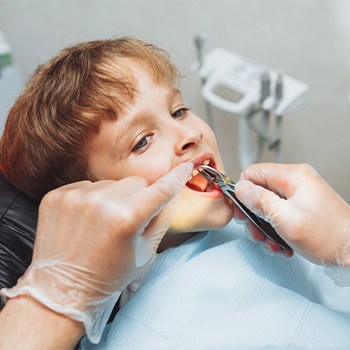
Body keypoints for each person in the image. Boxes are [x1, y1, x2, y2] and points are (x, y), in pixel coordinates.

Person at [0, 37, 350, 349]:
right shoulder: (154, 335)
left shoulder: (267, 221)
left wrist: (342, 242)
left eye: (178, 110)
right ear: (98, 202)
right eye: (142, 142)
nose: (189, 134)